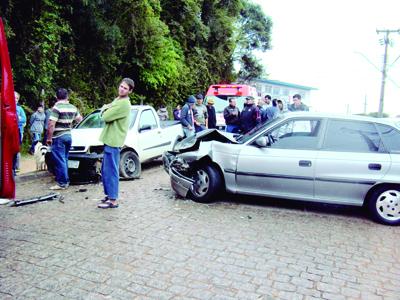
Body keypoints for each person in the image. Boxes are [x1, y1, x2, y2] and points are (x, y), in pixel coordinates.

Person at [96, 78, 134, 209]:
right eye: (121, 86)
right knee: (105, 170)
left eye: (125, 88)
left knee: (111, 170)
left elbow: (104, 116)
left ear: (130, 91)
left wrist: (105, 109)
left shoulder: (123, 104)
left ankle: (113, 200)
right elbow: (106, 112)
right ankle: (109, 195)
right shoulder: (118, 100)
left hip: (114, 140)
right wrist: (106, 108)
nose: (122, 89)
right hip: (109, 140)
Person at [46, 88, 82, 190]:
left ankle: (62, 182)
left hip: (59, 137)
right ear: (67, 96)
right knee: (64, 159)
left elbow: (51, 124)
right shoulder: (73, 107)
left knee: (59, 160)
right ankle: (66, 180)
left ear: (56, 97)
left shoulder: (56, 107)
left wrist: (49, 138)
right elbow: (80, 119)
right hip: (68, 135)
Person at [14, 91, 26, 173]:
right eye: (14, 97)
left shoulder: (19, 109)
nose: (15, 100)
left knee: (16, 150)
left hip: (18, 131)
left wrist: (17, 118)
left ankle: (16, 167)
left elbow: (24, 120)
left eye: (17, 98)